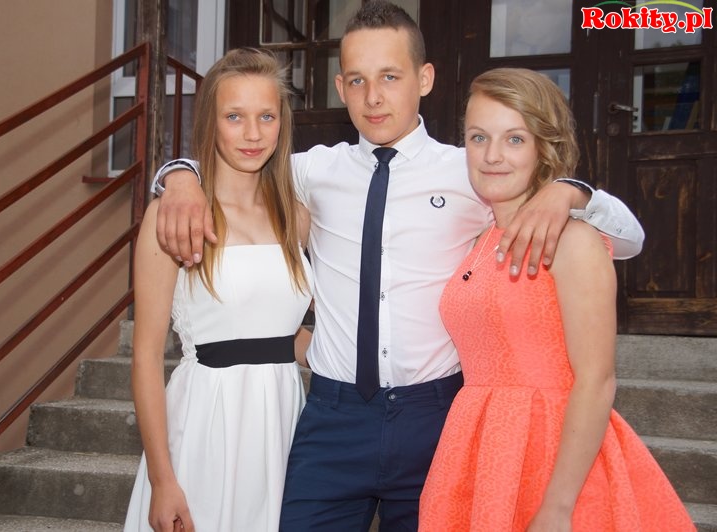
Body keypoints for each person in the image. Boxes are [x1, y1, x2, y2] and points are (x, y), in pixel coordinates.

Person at [150, 3, 645, 530]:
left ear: (424, 79)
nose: (374, 97)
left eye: (390, 76)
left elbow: (628, 238)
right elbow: (234, 161)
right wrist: (177, 175)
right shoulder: (314, 170)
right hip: (333, 416)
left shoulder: (472, 169)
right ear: (340, 87)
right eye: (358, 80)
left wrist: (571, 191)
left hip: (434, 417)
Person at [418, 67, 694, 532]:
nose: (492, 156)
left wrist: (558, 507)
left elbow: (597, 380)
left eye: (515, 139)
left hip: (553, 451)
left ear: (544, 146)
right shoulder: (479, 238)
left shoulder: (574, 240)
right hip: (477, 448)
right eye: (478, 137)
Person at [122, 48, 314, 532]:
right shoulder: (174, 217)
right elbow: (146, 357)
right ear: (211, 122)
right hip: (206, 426)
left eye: (266, 116)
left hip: (282, 423)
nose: (253, 134)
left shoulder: (296, 216)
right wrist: (163, 480)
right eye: (235, 117)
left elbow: (283, 334)